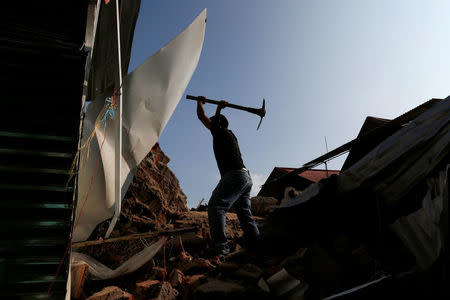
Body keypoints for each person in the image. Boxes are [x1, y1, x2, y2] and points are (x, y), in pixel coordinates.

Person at [196, 96, 261, 255]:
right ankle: (258, 246)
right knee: (244, 214)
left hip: (234, 175)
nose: (209, 124)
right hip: (245, 177)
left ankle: (221, 248)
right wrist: (218, 108)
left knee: (216, 206)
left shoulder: (219, 132)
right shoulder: (229, 134)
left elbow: (201, 117)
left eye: (214, 121)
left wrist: (199, 102)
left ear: (218, 123)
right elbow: (213, 121)